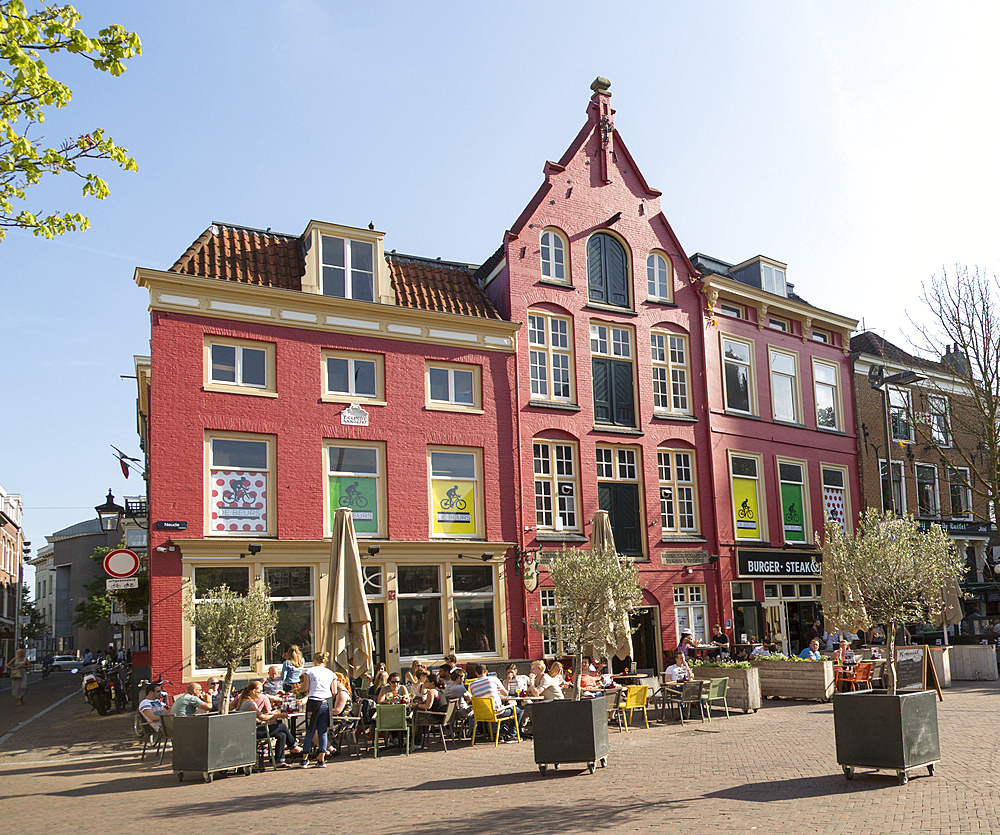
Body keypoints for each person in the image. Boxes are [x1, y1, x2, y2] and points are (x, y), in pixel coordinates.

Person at [235, 680, 300, 768]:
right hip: (251, 732)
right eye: (260, 692)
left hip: (252, 729)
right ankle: (293, 746)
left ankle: (279, 761)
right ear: (253, 691)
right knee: (282, 726)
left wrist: (272, 714)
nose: (261, 694)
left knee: (282, 734)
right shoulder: (249, 704)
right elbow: (262, 717)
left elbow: (260, 716)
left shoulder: (248, 702)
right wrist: (280, 715)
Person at [468, 664, 521, 742]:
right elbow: (506, 693)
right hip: (496, 712)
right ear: (486, 672)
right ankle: (511, 735)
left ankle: (497, 734)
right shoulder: (493, 679)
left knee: (498, 709)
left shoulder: (471, 685)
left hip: (482, 713)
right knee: (520, 709)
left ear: (476, 673)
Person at [301, 651, 335, 768]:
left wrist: (297, 690)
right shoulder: (331, 673)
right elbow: (334, 691)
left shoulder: (309, 671)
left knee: (310, 730)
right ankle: (322, 759)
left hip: (313, 701)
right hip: (326, 701)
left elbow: (305, 688)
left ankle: (305, 759)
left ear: (314, 661)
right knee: (323, 731)